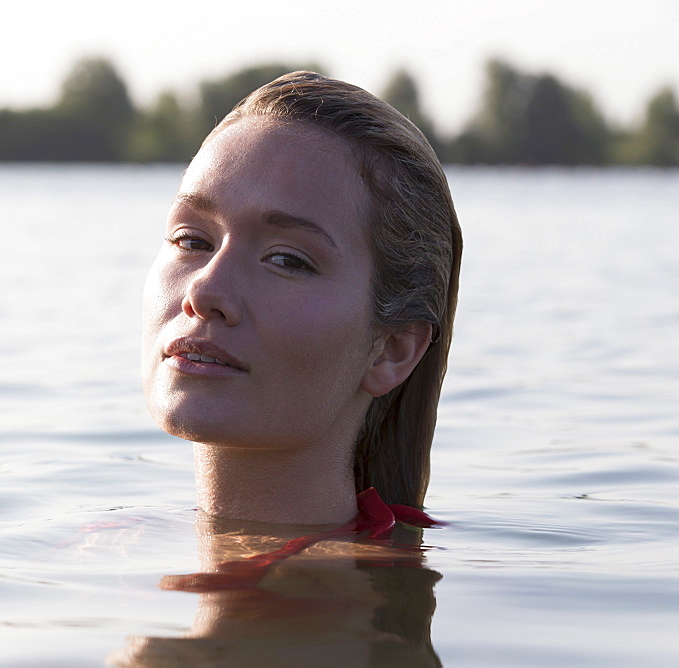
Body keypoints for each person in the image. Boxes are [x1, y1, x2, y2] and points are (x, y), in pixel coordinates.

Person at [142, 71, 461, 527]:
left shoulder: (343, 584)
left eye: (287, 260)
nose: (205, 292)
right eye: (192, 240)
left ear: (393, 349)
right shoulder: (105, 545)